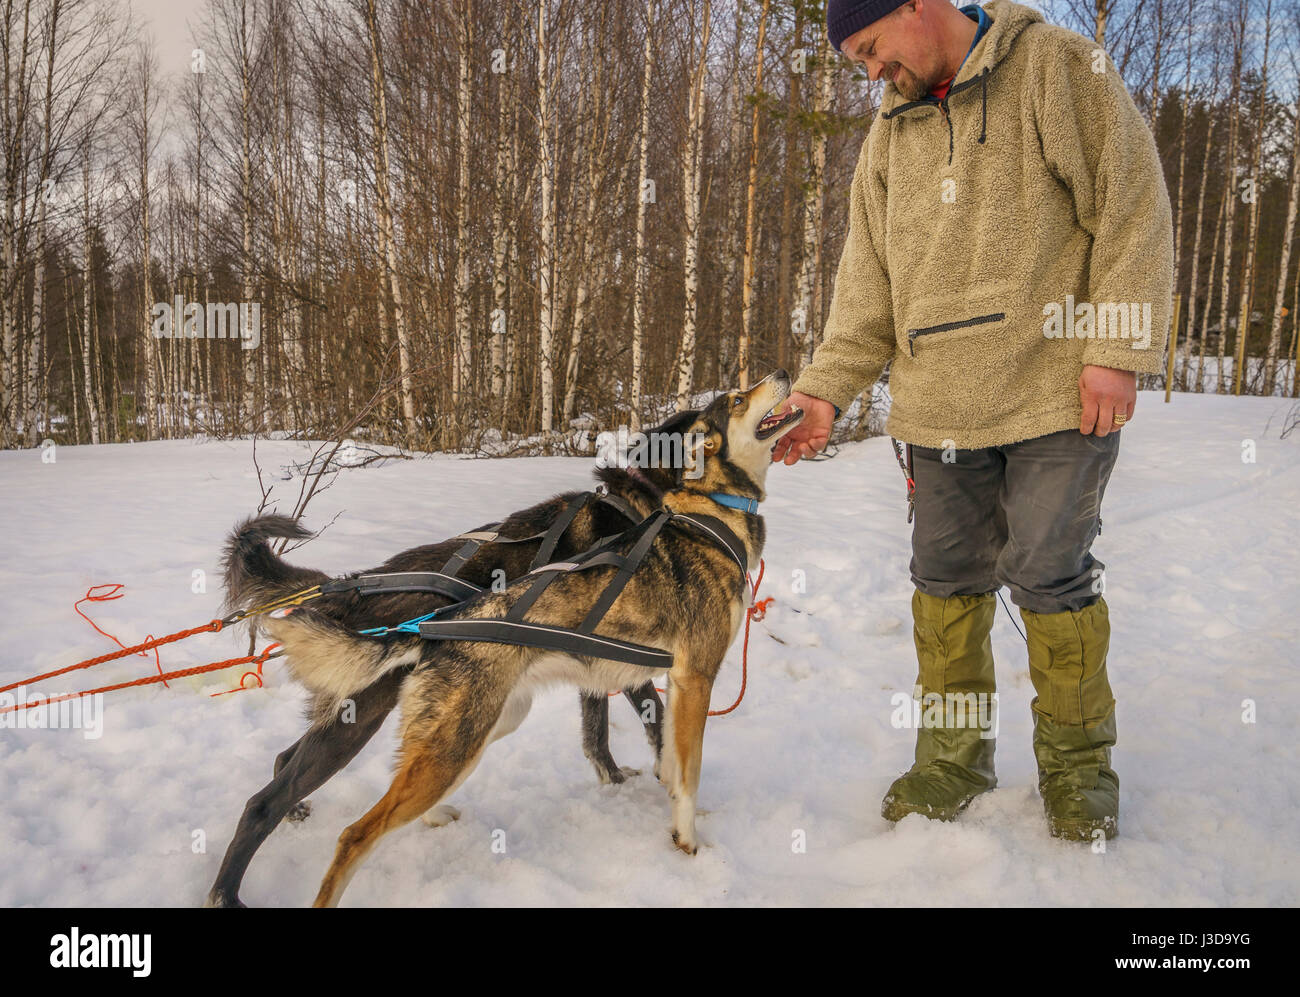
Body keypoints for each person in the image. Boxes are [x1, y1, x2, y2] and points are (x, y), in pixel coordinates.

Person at [771, 0, 1174, 841]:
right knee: (945, 584)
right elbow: (864, 290)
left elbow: (1133, 205)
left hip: (1057, 395)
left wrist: (1118, 346)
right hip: (938, 411)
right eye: (857, 61)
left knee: (1050, 573)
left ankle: (1077, 768)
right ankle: (952, 757)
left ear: (916, 6)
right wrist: (824, 390)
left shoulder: (1055, 69)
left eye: (874, 48)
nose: (872, 73)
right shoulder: (888, 139)